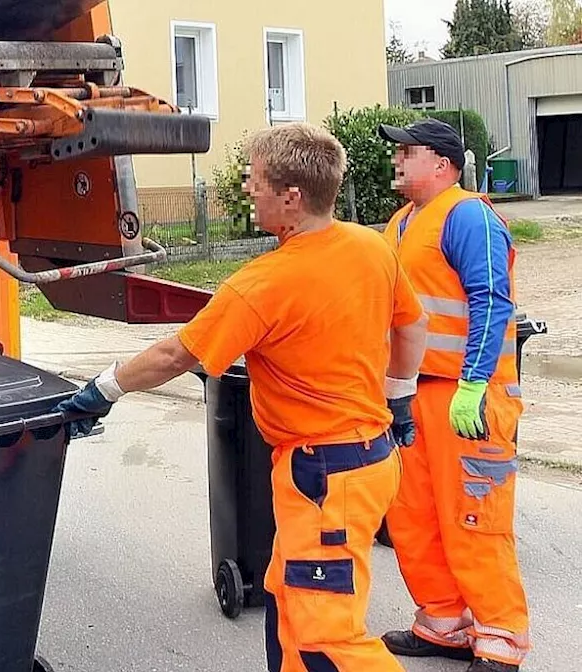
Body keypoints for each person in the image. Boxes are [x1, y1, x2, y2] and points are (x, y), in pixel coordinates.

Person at [56, 122, 429, 671]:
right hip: (366, 459)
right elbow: (413, 326)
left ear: (291, 196)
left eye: (255, 181)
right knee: (286, 594)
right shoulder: (369, 246)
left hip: (325, 473)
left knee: (329, 634)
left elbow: (175, 356)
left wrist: (102, 389)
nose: (247, 190)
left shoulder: (263, 284)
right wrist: (399, 399)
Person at [375, 118, 530, 672]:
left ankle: (500, 640)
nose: (397, 160)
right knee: (413, 515)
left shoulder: (469, 217)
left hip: (469, 399)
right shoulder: (400, 223)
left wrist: (472, 385)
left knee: (474, 517)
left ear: (442, 163)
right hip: (412, 395)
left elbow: (492, 301)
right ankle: (442, 623)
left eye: (407, 152)